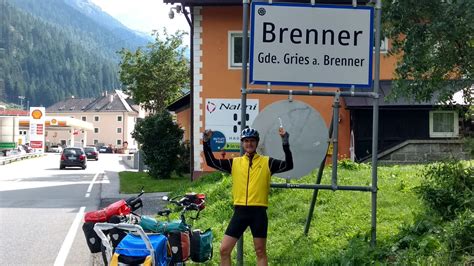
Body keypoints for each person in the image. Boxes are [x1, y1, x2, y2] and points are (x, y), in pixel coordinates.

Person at [203, 127, 293, 266]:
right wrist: (206, 142)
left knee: (260, 252)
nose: (249, 144)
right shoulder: (235, 163)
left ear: (256, 143)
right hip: (240, 212)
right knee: (224, 250)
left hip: (258, 212)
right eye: (246, 141)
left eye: (252, 141)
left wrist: (285, 142)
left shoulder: (267, 162)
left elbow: (289, 165)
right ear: (242, 143)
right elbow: (211, 162)